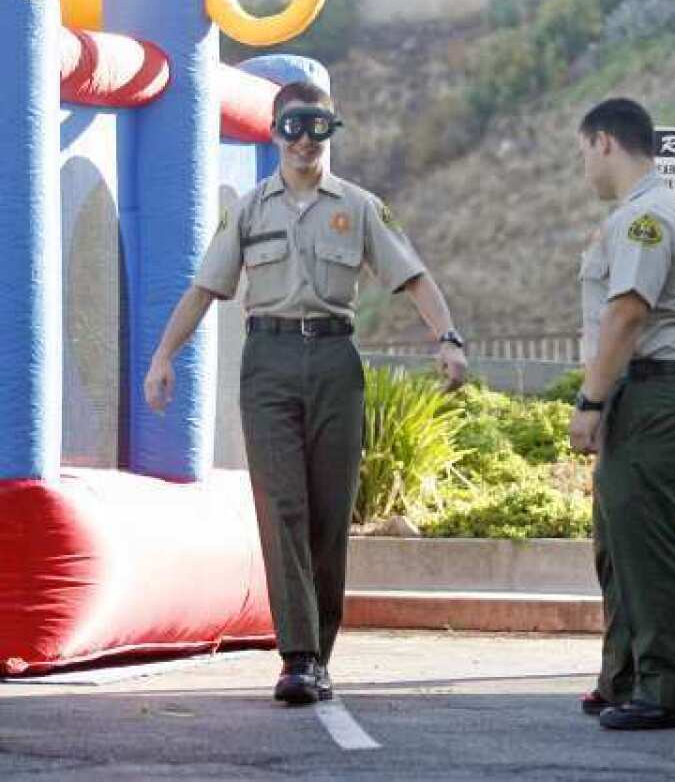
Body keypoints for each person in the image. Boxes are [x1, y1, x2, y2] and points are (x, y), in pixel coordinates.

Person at [143, 81, 468, 705]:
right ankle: (298, 656)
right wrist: (163, 356)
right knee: (282, 506)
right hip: (267, 363)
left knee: (327, 513)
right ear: (273, 133)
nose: (302, 140)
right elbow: (205, 288)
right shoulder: (248, 210)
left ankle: (320, 651)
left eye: (316, 126)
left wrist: (447, 338)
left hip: (334, 361)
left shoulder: (359, 205)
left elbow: (413, 275)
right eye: (292, 126)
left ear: (331, 130)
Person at [570, 98, 675, 730]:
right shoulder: (635, 215)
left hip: (650, 394)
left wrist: (590, 402)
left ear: (604, 143)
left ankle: (669, 690)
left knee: (649, 548)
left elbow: (627, 316)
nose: (584, 168)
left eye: (582, 152)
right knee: (619, 546)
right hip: (641, 395)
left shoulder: (646, 217)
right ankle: (625, 677)